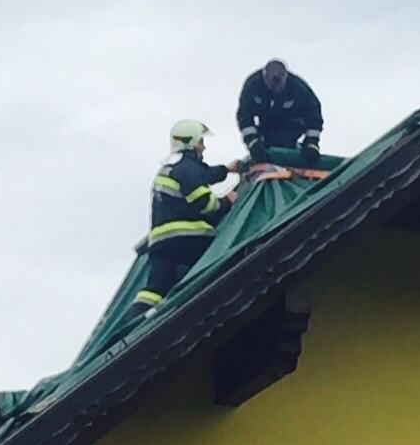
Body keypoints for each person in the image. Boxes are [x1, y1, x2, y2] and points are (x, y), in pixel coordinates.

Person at [126, 120, 239, 320]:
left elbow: (204, 174)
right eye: (201, 142)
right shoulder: (189, 168)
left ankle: (131, 324)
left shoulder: (170, 169)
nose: (203, 147)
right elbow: (207, 205)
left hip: (160, 244)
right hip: (188, 238)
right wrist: (228, 201)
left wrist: (227, 169)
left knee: (154, 289)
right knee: (223, 257)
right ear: (192, 142)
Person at [236, 59, 323, 164]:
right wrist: (252, 142)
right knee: (265, 147)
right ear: (265, 78)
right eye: (273, 84)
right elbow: (244, 115)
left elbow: (314, 114)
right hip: (266, 125)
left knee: (284, 140)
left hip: (292, 124)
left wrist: (311, 143)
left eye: (280, 84)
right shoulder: (252, 86)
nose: (277, 89)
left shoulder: (299, 89)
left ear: (286, 77)